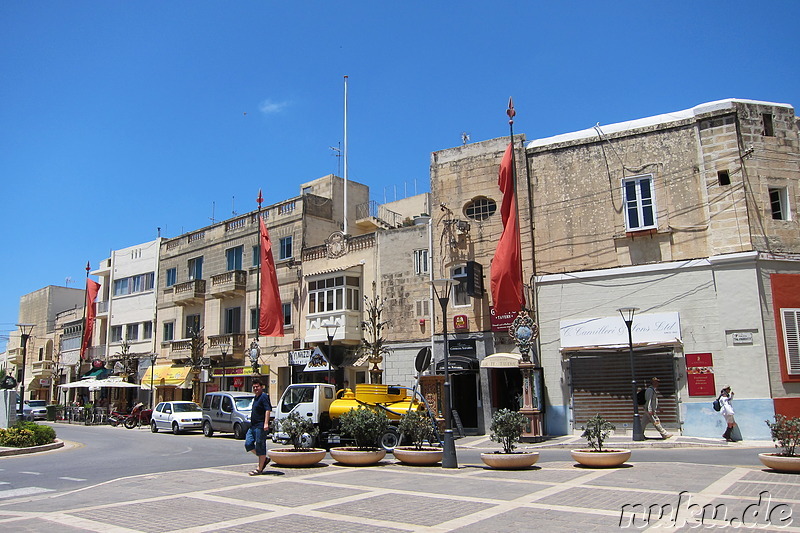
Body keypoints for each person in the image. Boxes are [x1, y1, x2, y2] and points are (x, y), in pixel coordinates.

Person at [244, 378, 277, 475]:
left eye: (257, 387)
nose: (255, 388)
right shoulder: (256, 397)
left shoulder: (264, 396)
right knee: (248, 444)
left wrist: (266, 423)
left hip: (260, 426)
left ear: (261, 387)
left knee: (260, 445)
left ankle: (259, 468)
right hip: (253, 426)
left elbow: (267, 410)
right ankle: (264, 459)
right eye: (254, 387)